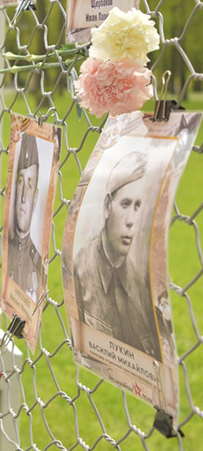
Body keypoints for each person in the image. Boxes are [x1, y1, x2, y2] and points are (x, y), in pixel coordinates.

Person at [73, 151, 161, 360]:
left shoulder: (143, 283)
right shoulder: (80, 268)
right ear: (106, 207)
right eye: (125, 204)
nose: (132, 220)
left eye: (138, 206)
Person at [6, 134, 43, 302]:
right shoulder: (8, 252)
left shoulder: (38, 263)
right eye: (20, 182)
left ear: (35, 198)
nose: (22, 198)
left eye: (29, 186)